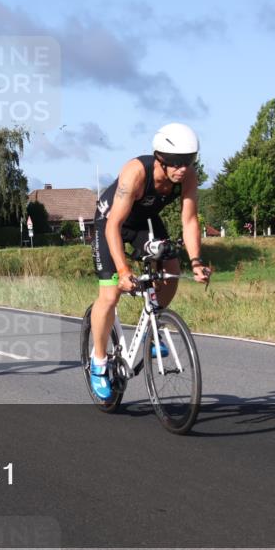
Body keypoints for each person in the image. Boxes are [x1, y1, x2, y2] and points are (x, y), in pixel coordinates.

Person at [88, 123, 212, 400]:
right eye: (178, 162)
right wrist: (122, 271)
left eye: (189, 161)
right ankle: (98, 362)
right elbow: (113, 226)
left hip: (145, 222)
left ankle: (152, 328)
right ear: (161, 158)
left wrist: (196, 261)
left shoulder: (188, 176)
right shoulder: (136, 172)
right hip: (112, 221)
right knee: (109, 295)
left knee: (171, 267)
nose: (183, 168)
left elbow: (189, 220)